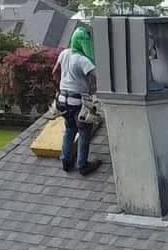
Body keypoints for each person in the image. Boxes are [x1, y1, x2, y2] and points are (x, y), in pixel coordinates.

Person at [53, 26, 101, 175]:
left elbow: (55, 71)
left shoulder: (64, 53)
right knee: (84, 131)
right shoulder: (82, 60)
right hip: (78, 101)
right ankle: (82, 165)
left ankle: (66, 161)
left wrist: (60, 86)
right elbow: (99, 76)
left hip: (62, 100)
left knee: (69, 129)